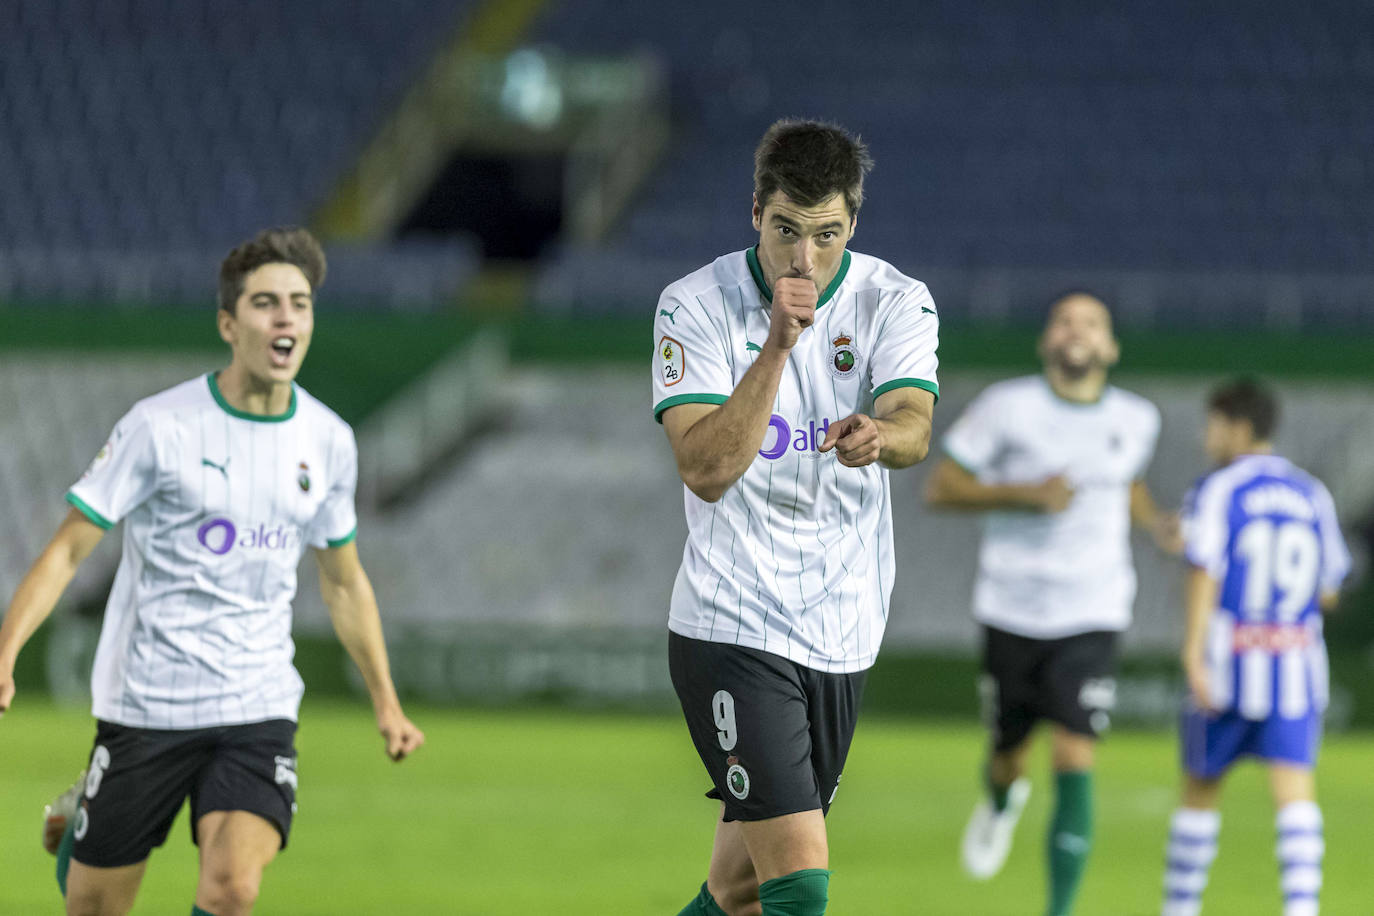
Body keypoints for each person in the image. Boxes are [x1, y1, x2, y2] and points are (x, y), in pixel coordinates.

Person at [0, 227, 425, 916]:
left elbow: (344, 581)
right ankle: (83, 835)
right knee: (95, 908)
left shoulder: (329, 440)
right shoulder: (160, 427)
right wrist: (6, 651)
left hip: (258, 705)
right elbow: (68, 550)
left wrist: (385, 700)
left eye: (300, 303)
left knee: (232, 889)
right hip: (149, 703)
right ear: (229, 324)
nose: (286, 317)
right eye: (265, 303)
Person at [653, 118, 939, 916]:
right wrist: (777, 346)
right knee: (800, 884)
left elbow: (915, 419)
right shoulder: (695, 306)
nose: (803, 259)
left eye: (826, 235)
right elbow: (706, 468)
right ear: (754, 213)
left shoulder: (896, 299)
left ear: (853, 222)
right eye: (786, 231)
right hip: (732, 619)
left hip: (843, 625)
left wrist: (883, 434)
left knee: (738, 888)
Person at [924, 291, 1177, 916]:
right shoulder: (1006, 408)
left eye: (1092, 321)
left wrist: (1156, 524)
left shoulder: (1138, 418)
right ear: (1046, 342)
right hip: (1012, 607)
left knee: (1073, 750)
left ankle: (1059, 909)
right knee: (1008, 756)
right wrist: (1024, 495)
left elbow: (1127, 483)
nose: (1076, 330)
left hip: (1093, 609)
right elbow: (943, 487)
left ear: (1111, 347)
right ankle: (1002, 801)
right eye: (1064, 320)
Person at [1160, 378, 1348, 916]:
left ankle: (1180, 907)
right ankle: (1302, 907)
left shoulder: (1218, 489)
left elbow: (1204, 570)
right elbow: (1329, 587)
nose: (1205, 436)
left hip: (1227, 662)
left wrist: (1193, 651)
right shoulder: (1311, 492)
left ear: (1238, 427)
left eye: (1212, 424)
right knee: (1294, 791)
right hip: (1294, 662)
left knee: (1201, 787)